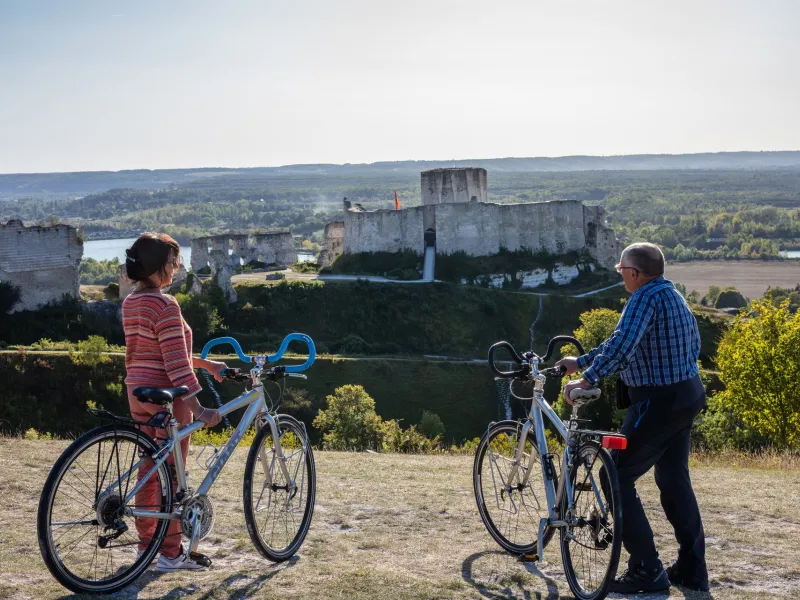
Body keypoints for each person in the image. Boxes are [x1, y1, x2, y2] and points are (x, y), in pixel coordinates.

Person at [556, 242, 709, 594]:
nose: (620, 274)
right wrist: (581, 362)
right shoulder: (670, 293)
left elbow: (623, 347)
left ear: (635, 273)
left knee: (615, 475)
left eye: (622, 269)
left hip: (658, 402)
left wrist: (587, 378)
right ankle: (691, 568)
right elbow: (620, 341)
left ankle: (646, 568)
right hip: (686, 395)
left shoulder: (643, 299)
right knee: (673, 482)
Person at [122, 232, 227, 572]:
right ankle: (169, 552)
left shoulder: (131, 302)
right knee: (171, 472)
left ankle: (145, 546)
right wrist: (199, 409)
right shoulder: (166, 304)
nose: (177, 268)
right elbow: (174, 364)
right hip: (169, 396)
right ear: (158, 267)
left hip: (138, 391)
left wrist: (206, 364)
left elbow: (160, 350)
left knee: (149, 470)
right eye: (173, 262)